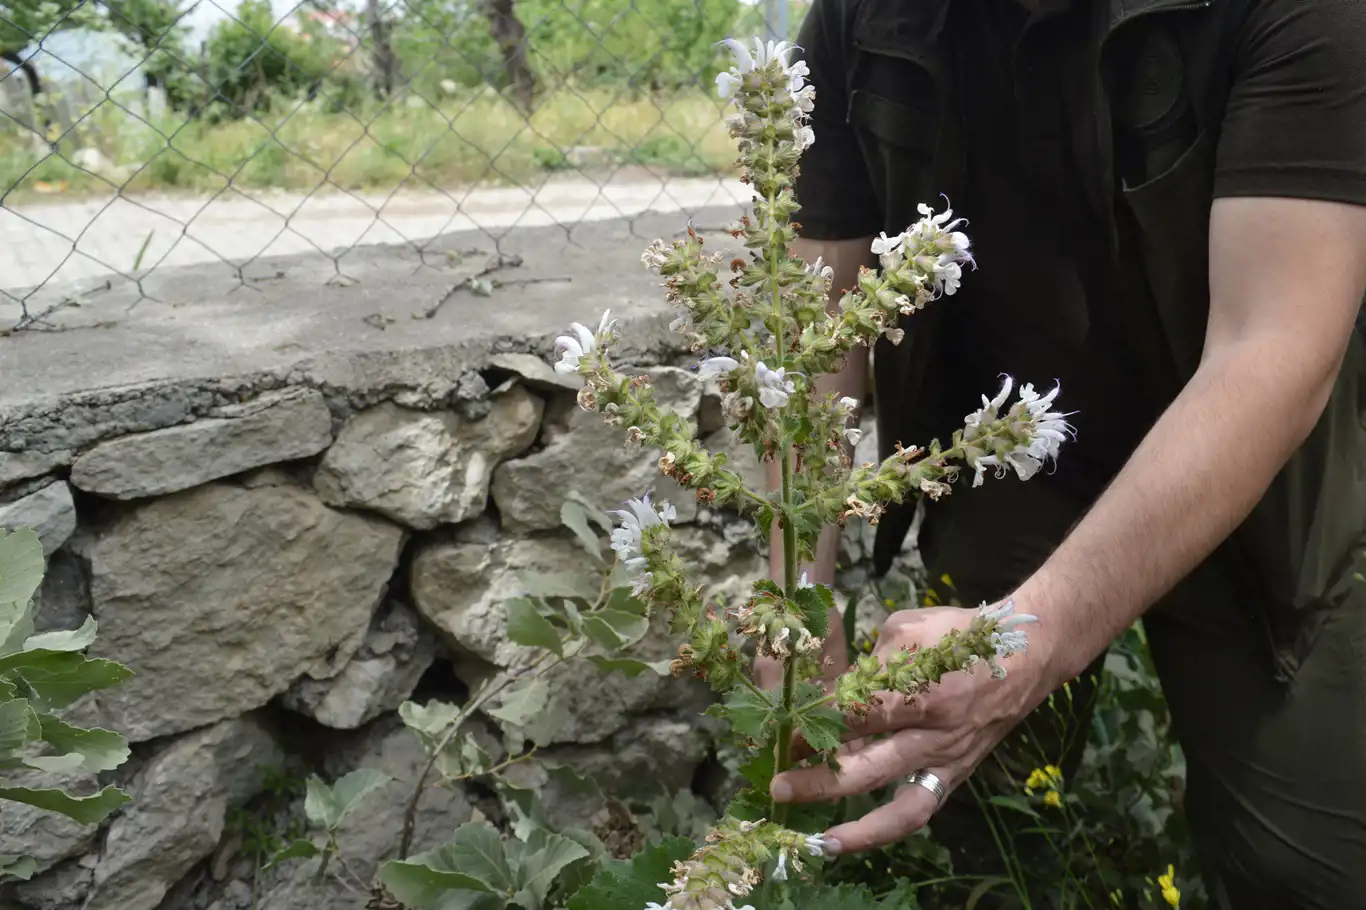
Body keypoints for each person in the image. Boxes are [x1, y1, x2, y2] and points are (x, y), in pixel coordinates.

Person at [752, 0, 1366, 906]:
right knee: (969, 833)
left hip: (1263, 488)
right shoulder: (861, 15)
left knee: (1308, 869)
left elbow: (1271, 352)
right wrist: (794, 590)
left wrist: (1030, 641)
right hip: (1013, 463)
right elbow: (813, 329)